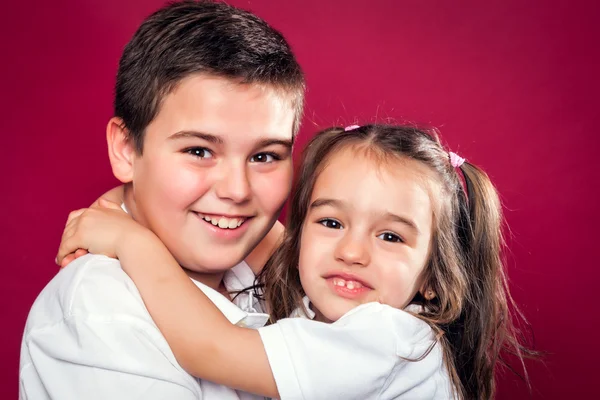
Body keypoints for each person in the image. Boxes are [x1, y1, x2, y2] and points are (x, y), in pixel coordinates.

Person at [58, 124, 534, 399]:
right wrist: (127, 203)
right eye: (331, 223)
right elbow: (273, 240)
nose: (351, 252)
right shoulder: (337, 308)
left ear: (433, 277)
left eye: (390, 236)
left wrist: (132, 242)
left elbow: (211, 349)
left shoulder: (391, 339)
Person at [19, 1, 304, 399]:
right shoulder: (103, 310)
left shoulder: (272, 264)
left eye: (264, 156)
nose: (237, 191)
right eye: (199, 151)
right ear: (125, 149)